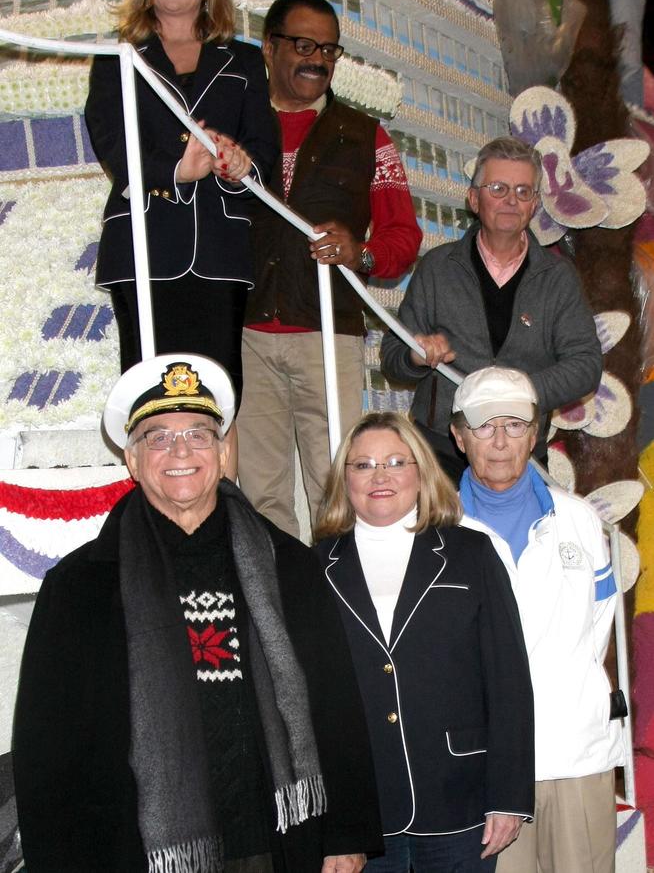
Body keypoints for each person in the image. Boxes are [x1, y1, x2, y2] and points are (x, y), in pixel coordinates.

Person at [12, 353, 383, 873]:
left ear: (225, 451)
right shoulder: (80, 587)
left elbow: (335, 705)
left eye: (199, 435)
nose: (179, 451)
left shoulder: (290, 567)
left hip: (273, 842)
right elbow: (47, 749)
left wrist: (345, 834)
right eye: (157, 438)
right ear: (132, 461)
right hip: (134, 853)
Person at [314, 411, 534, 872]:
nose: (380, 476)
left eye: (396, 461)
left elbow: (508, 681)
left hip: (462, 801)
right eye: (363, 465)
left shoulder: (471, 554)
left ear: (421, 471)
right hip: (363, 812)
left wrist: (509, 796)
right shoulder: (312, 567)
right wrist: (331, 821)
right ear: (344, 478)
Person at [237, 0, 422, 538]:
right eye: (302, 45)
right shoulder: (234, 127)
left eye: (328, 49)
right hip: (245, 334)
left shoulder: (368, 136)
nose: (317, 59)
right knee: (261, 491)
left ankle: (339, 605)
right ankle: (282, 612)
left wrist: (360, 253)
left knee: (336, 487)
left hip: (329, 335)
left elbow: (403, 238)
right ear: (269, 48)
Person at [85, 0, 278, 406]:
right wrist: (177, 170)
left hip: (220, 249)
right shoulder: (116, 57)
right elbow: (111, 144)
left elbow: (265, 153)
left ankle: (221, 487)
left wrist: (239, 166)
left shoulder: (245, 60)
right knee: (149, 399)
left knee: (219, 395)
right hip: (144, 245)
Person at [450, 366, 624, 873]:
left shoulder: (581, 522)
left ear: (536, 433)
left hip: (576, 755)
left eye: (515, 424)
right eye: (484, 426)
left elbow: (600, 628)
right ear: (460, 436)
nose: (500, 441)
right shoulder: (436, 530)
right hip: (483, 771)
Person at [380, 136, 602, 484]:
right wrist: (415, 357)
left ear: (534, 206)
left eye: (523, 191)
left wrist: (515, 390)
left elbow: (586, 365)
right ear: (473, 198)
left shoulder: (558, 278)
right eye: (498, 188)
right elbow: (392, 357)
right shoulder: (437, 267)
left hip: (521, 455)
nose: (511, 200)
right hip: (441, 455)